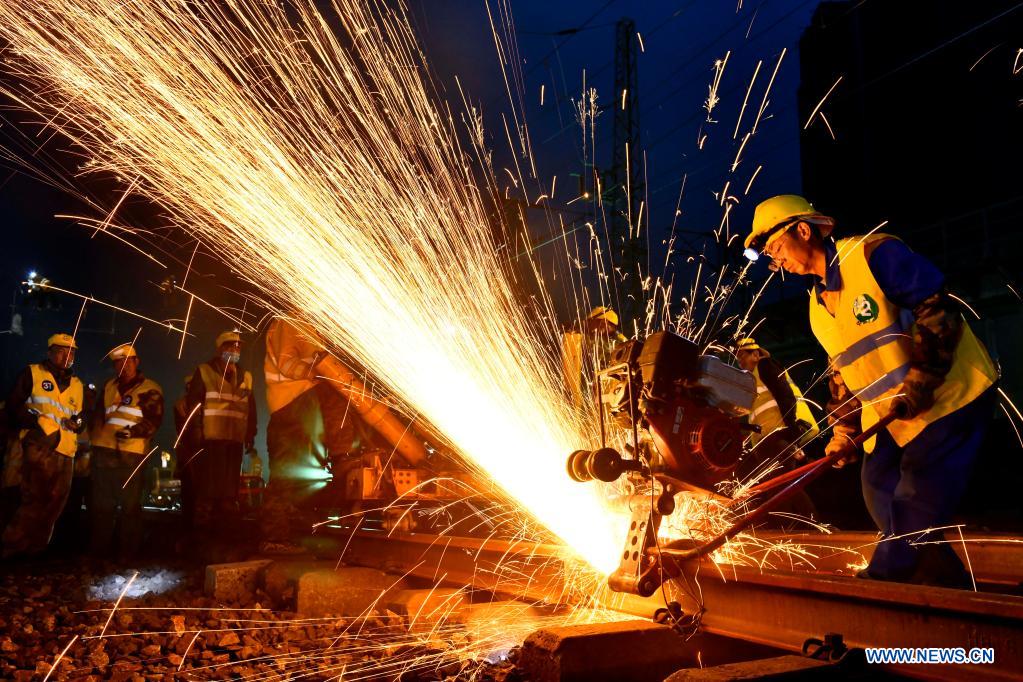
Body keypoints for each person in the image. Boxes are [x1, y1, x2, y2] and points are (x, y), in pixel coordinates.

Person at [745, 194, 998, 587]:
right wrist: (843, 433)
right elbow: (844, 377)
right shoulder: (816, 308)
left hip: (949, 397)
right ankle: (949, 586)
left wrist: (922, 380)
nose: (776, 261)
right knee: (876, 486)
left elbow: (936, 307)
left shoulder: (873, 256)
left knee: (916, 496)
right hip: (893, 417)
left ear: (803, 230)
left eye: (775, 247)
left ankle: (883, 580)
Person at [261, 317, 366, 553]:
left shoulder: (311, 326)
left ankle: (293, 534)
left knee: (300, 476)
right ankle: (274, 539)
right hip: (288, 405)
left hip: (303, 405)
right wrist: (317, 374)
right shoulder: (289, 322)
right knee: (286, 474)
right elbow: (286, 363)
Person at [1, 333, 87, 559]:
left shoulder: (77, 385)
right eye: (61, 350)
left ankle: (35, 551)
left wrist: (77, 423)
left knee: (56, 503)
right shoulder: (33, 373)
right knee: (34, 499)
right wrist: (36, 423)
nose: (67, 356)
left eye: (71, 352)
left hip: (66, 449)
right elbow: (13, 406)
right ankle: (11, 547)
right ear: (49, 352)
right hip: (39, 447)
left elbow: (79, 416)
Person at [88, 343, 163, 560]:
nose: (125, 365)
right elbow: (98, 418)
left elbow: (154, 420)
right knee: (102, 508)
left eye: (129, 360)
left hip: (132, 456)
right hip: (104, 455)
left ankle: (127, 556)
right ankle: (99, 555)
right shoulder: (109, 386)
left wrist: (133, 432)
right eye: (120, 362)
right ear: (115, 366)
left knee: (130, 509)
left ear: (136, 362)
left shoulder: (150, 388)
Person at [734, 337, 819, 522]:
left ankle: (813, 523)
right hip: (765, 440)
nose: (739, 360)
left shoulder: (765, 366)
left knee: (783, 483)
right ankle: (794, 527)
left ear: (755, 354)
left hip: (776, 434)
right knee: (776, 486)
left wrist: (791, 428)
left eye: (742, 355)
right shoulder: (751, 380)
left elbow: (784, 394)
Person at [183, 331, 256, 540]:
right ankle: (202, 537)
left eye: (238, 347)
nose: (235, 350)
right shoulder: (204, 371)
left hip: (234, 439)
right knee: (208, 490)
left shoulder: (246, 376)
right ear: (220, 349)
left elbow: (251, 408)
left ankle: (226, 534)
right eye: (230, 346)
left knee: (228, 491)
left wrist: (251, 433)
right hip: (211, 438)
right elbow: (194, 404)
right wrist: (196, 429)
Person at [562, 306, 629, 410]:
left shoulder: (617, 342)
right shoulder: (581, 336)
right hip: (590, 392)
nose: (589, 326)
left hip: (607, 395)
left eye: (591, 322)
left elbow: (597, 345)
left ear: (603, 323)